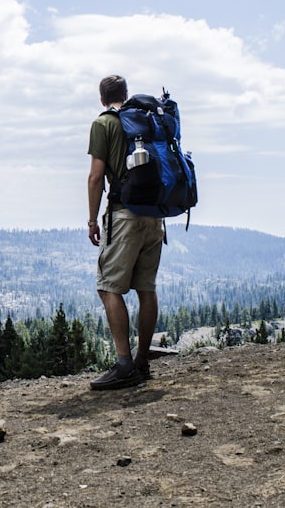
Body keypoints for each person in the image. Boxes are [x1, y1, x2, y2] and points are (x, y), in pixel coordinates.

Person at [86, 74, 164, 390]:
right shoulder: (145, 122)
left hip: (124, 214)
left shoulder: (103, 124)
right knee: (146, 288)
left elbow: (95, 178)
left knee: (108, 287)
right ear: (126, 94)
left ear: (102, 98)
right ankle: (142, 361)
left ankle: (124, 365)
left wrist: (92, 221)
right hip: (155, 215)